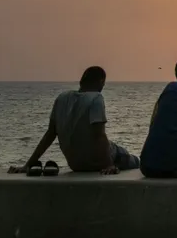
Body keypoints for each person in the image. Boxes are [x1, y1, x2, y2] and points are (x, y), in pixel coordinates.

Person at [10, 66, 139, 175]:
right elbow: (98, 135)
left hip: (76, 165)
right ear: (101, 81)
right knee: (135, 161)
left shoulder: (61, 98)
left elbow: (49, 135)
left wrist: (27, 165)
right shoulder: (96, 99)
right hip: (99, 161)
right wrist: (109, 165)